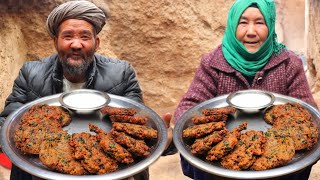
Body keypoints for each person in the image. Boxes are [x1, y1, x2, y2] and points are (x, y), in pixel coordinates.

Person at [0, 1, 172, 180]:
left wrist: (163, 141)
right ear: (55, 42)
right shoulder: (30, 73)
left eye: (84, 37)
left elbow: (137, 127)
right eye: (67, 36)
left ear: (96, 43)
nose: (76, 44)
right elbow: (7, 124)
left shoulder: (122, 74)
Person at [174, 0, 317, 180]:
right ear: (232, 25)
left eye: (259, 22)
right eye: (243, 22)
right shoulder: (212, 63)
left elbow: (306, 112)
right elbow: (188, 107)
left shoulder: (289, 63)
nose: (251, 32)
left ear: (270, 26)